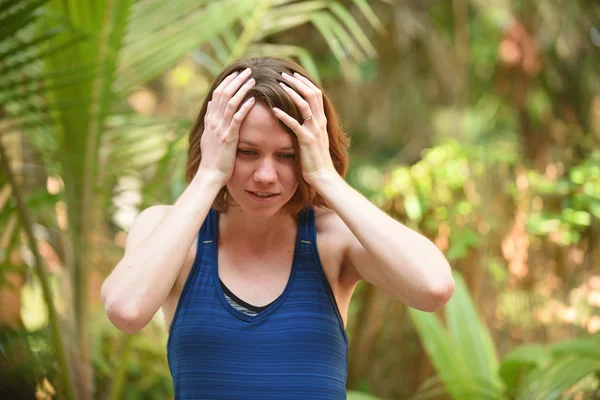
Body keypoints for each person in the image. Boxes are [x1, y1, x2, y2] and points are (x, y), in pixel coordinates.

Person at [101, 56, 455, 399]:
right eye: (246, 152)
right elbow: (126, 311)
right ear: (215, 144)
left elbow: (434, 288)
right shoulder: (170, 231)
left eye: (286, 155)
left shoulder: (333, 239)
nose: (266, 176)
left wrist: (325, 177)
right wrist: (209, 175)